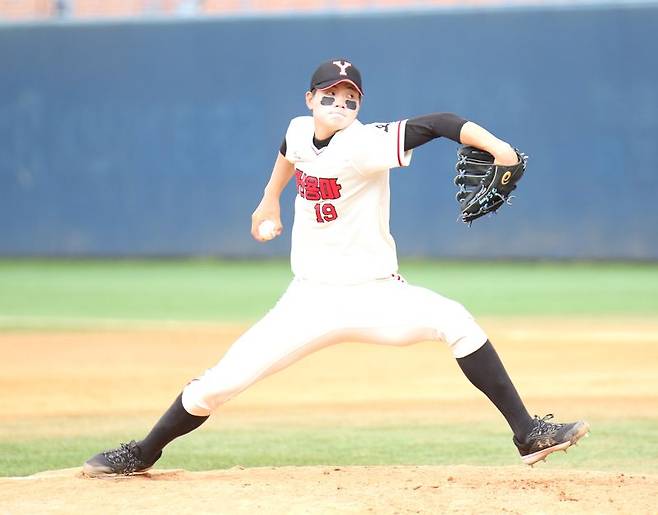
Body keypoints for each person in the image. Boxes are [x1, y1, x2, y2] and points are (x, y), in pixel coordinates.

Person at [83, 58, 589, 476]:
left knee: (455, 320)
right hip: (308, 299)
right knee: (218, 383)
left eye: (351, 98)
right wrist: (268, 202)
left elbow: (438, 123)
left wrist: (498, 149)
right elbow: (288, 152)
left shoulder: (365, 143)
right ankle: (143, 452)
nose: (341, 104)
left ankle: (527, 433)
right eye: (331, 94)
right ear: (309, 99)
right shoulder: (300, 129)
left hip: (376, 295)